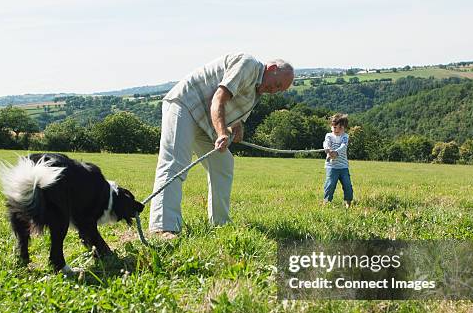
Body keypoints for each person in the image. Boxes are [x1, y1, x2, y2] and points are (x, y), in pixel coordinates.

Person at [149, 53, 294, 238]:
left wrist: (237, 124)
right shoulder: (248, 65)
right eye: (278, 85)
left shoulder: (258, 90)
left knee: (223, 163)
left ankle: (220, 223)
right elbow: (218, 99)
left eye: (279, 90)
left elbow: (234, 106)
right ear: (272, 69)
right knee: (175, 162)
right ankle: (163, 227)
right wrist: (222, 133)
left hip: (205, 120)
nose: (274, 91)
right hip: (185, 105)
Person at [323, 113, 353, 208]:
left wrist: (335, 152)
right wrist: (327, 149)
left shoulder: (345, 136)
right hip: (331, 167)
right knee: (330, 185)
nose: (337, 130)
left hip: (343, 167)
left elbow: (343, 146)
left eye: (340, 128)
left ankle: (348, 202)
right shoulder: (329, 136)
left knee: (347, 185)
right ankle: (327, 202)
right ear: (331, 126)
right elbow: (326, 143)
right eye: (334, 127)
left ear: (344, 127)